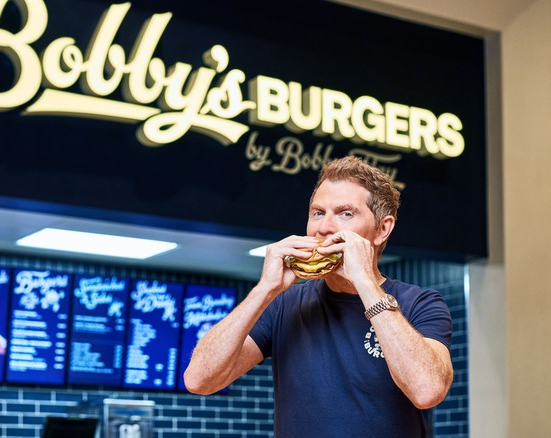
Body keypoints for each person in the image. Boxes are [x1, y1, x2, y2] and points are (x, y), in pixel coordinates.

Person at [183, 156, 453, 437]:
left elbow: (427, 391)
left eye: (345, 213)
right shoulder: (284, 304)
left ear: (382, 229)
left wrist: (364, 282)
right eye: (318, 213)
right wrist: (265, 289)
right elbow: (199, 380)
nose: (324, 228)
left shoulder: (420, 304)